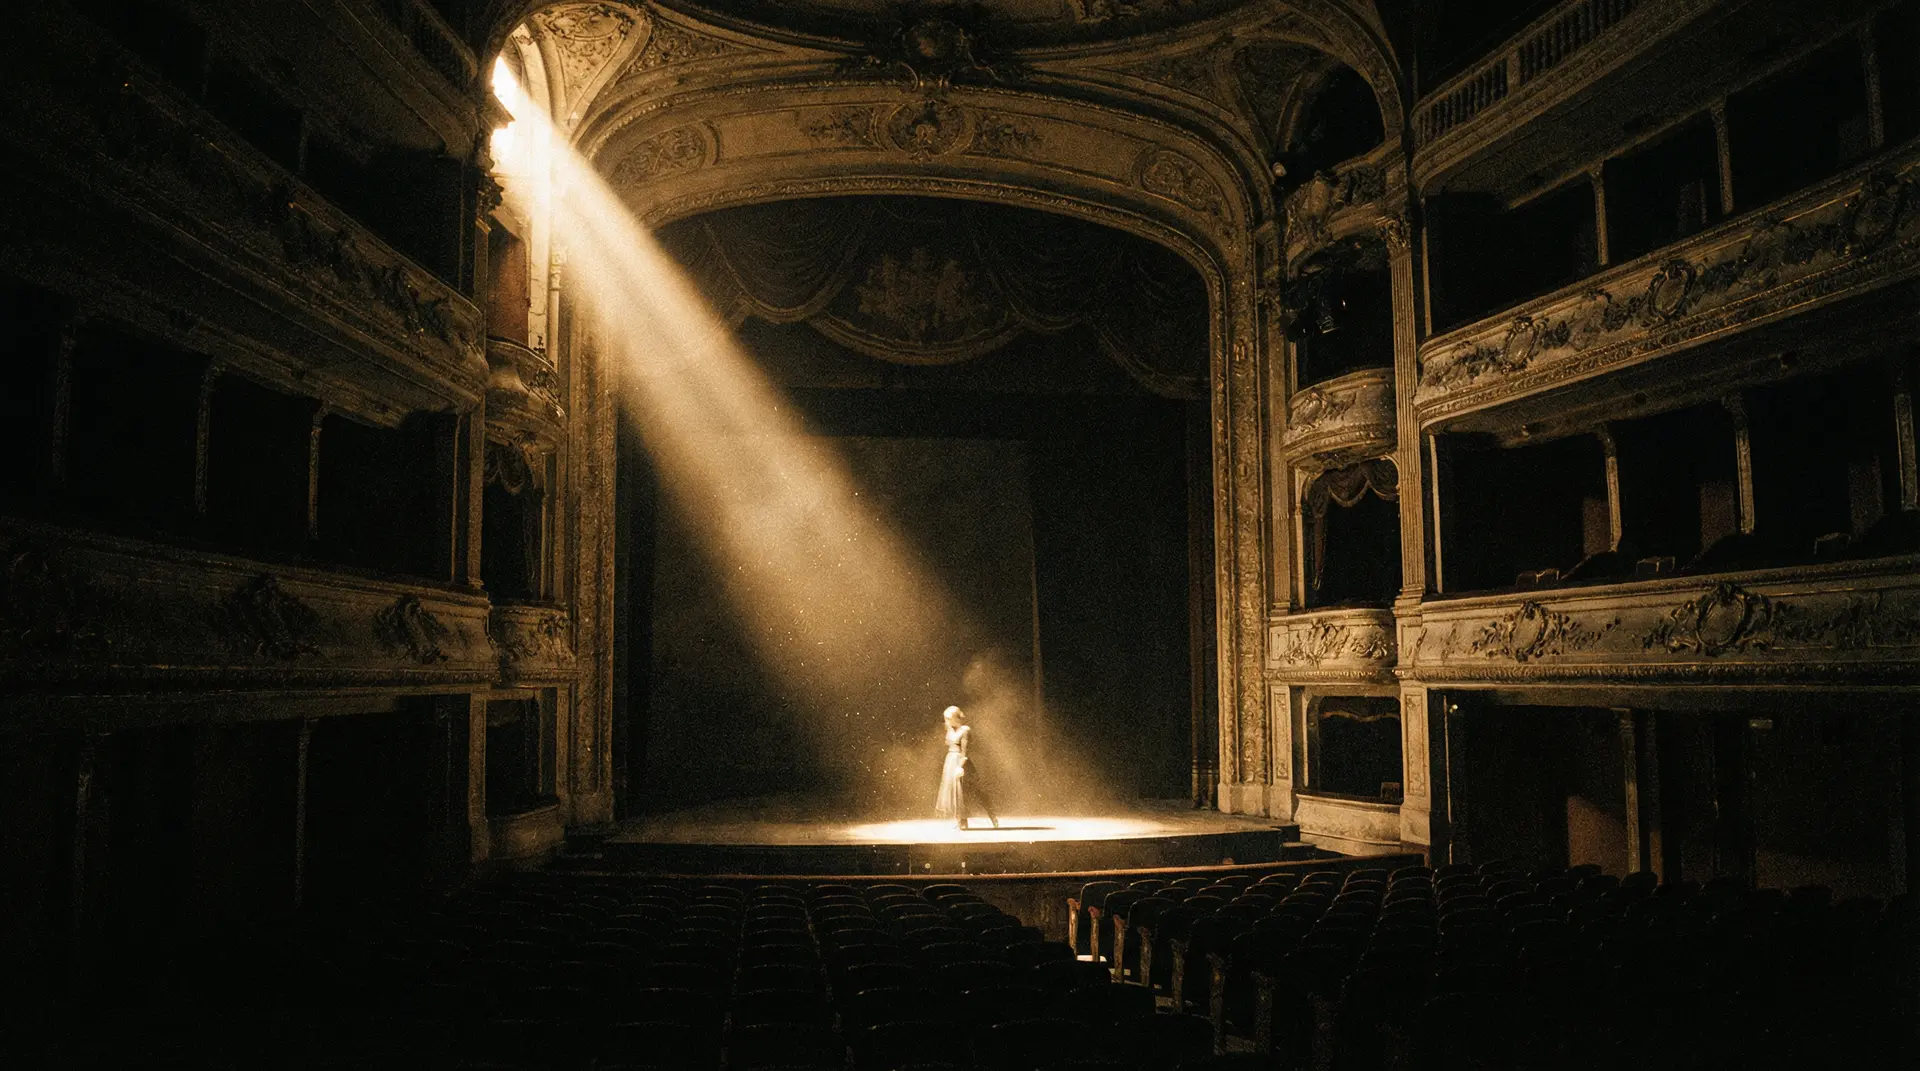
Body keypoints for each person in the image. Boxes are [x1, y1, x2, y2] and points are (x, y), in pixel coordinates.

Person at [934, 705, 997, 830]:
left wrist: (960, 767)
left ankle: (992, 815)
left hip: (961, 763)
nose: (947, 721)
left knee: (974, 791)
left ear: (956, 718)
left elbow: (965, 751)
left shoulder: (965, 730)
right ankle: (962, 821)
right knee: (956, 793)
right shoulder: (950, 729)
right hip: (951, 761)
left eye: (949, 718)